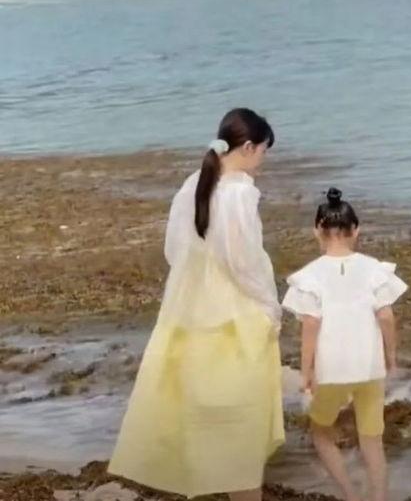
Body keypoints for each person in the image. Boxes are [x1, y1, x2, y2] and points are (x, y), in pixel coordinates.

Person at [109, 108, 284, 499]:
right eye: (263, 152)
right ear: (248, 147)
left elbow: (174, 250)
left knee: (202, 420)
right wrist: (270, 308)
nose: (262, 161)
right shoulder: (240, 191)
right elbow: (244, 262)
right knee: (242, 428)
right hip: (234, 315)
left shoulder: (194, 182)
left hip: (188, 310)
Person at [282, 188, 407, 501]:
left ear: (317, 230)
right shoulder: (374, 269)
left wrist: (306, 372)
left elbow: (310, 326)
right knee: (372, 440)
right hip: (369, 366)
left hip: (332, 370)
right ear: (356, 230)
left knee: (321, 433)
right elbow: (386, 317)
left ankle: (350, 494)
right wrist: (391, 357)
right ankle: (378, 498)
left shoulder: (310, 276)